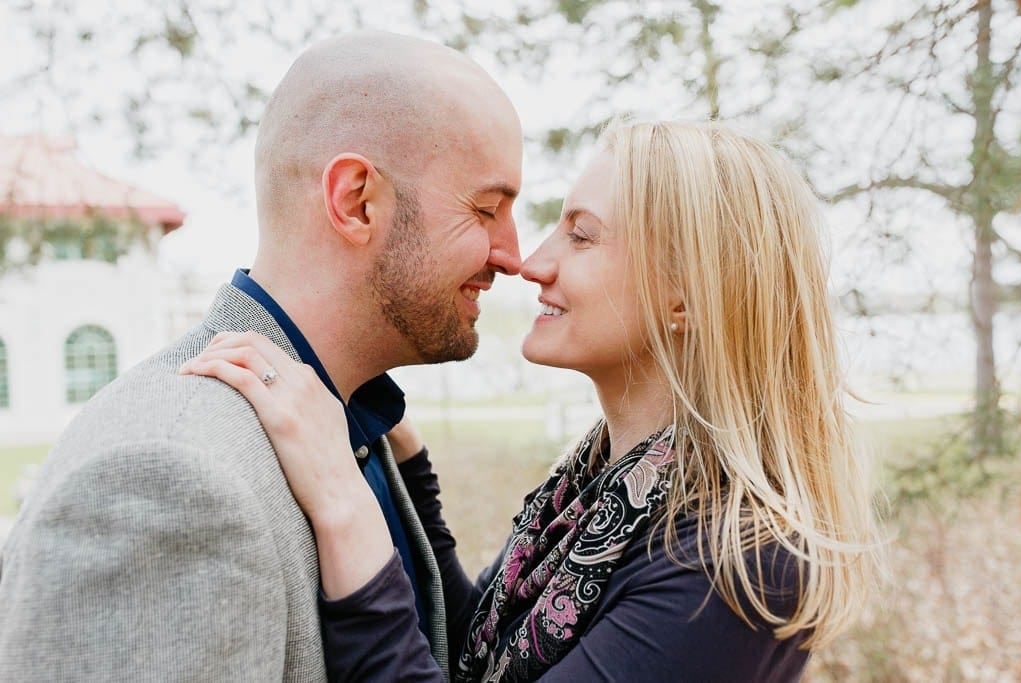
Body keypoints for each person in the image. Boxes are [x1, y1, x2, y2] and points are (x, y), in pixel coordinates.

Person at [184, 120, 882, 681]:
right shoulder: (602, 486)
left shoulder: (735, 561)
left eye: (581, 235)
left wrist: (343, 504)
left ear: (686, 295)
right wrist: (411, 466)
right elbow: (471, 649)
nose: (532, 260)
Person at [0, 31, 524, 681]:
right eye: (486, 209)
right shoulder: (170, 479)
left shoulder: (350, 417)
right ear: (357, 199)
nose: (514, 255)